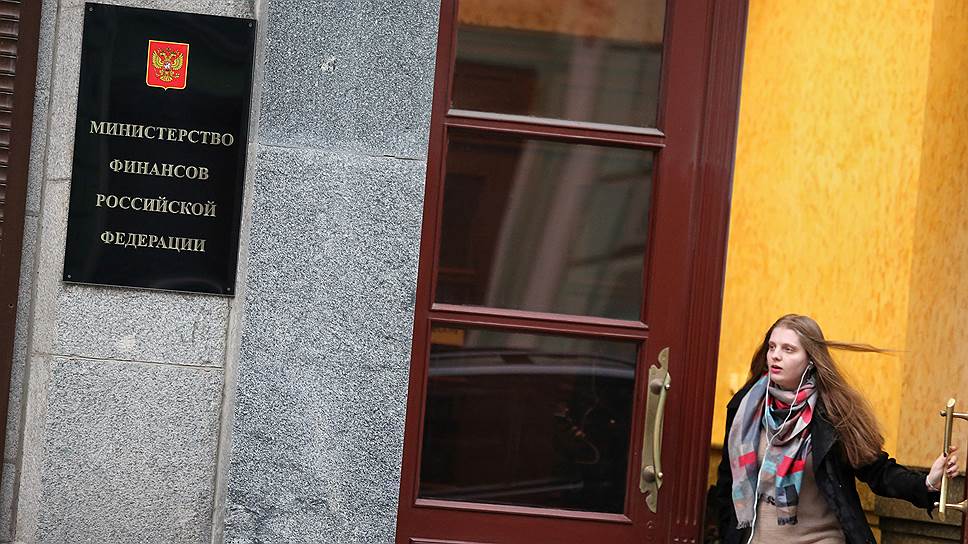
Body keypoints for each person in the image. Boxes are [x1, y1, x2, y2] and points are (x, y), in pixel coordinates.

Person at [714, 314, 960, 544]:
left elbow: (877, 471)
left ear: (811, 359)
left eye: (788, 349)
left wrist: (927, 482)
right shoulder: (746, 407)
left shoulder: (832, 413)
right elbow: (727, 480)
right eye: (772, 347)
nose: (775, 356)